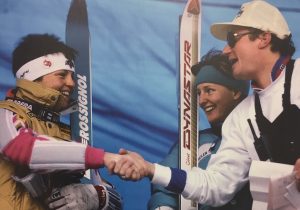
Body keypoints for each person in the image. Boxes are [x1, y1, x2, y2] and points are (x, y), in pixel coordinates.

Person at [113, 0, 300, 208]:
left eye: (233, 38)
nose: (226, 49)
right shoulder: (241, 118)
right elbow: (216, 186)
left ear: (264, 38)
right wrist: (151, 169)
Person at [0, 33, 140, 210]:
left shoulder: (71, 133)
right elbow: (22, 148)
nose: (71, 83)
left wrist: (99, 195)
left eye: (72, 76)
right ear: (32, 76)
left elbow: (111, 196)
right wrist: (103, 157)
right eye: (62, 75)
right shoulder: (4, 113)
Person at [147, 50, 250, 210]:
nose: (201, 100)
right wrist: (163, 207)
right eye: (198, 93)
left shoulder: (254, 135)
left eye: (209, 90)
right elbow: (164, 183)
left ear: (235, 92)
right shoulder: (196, 140)